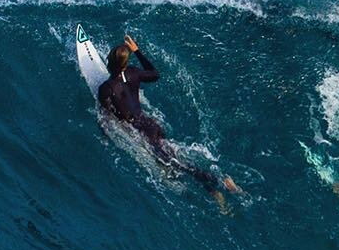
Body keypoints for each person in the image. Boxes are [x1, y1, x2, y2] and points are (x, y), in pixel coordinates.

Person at [97, 35, 241, 206]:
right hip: (152, 125)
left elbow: (106, 115)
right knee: (173, 160)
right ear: (125, 64)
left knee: (179, 165)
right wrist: (137, 51)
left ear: (109, 62)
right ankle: (214, 191)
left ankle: (219, 181)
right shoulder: (133, 72)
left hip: (142, 131)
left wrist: (105, 135)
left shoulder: (106, 88)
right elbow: (155, 74)